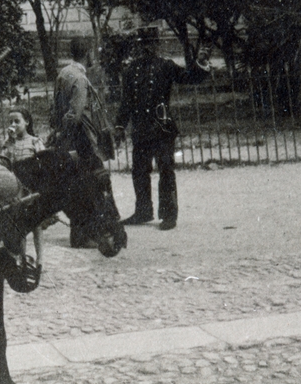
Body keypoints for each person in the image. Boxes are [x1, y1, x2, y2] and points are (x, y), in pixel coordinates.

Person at [114, 25, 208, 230]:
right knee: (139, 171)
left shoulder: (166, 66)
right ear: (139, 47)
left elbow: (188, 77)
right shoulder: (131, 71)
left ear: (157, 45)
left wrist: (200, 64)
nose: (148, 48)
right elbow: (126, 102)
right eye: (144, 45)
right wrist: (120, 126)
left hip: (162, 129)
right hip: (140, 130)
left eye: (151, 44)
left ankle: (169, 215)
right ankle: (143, 211)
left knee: (166, 170)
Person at [50, 36, 121, 245]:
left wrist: (60, 132)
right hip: (81, 138)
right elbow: (77, 113)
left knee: (77, 185)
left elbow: (56, 108)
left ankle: (80, 234)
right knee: (94, 184)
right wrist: (68, 131)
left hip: (68, 138)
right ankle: (96, 234)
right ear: (88, 53)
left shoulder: (64, 73)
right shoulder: (80, 78)